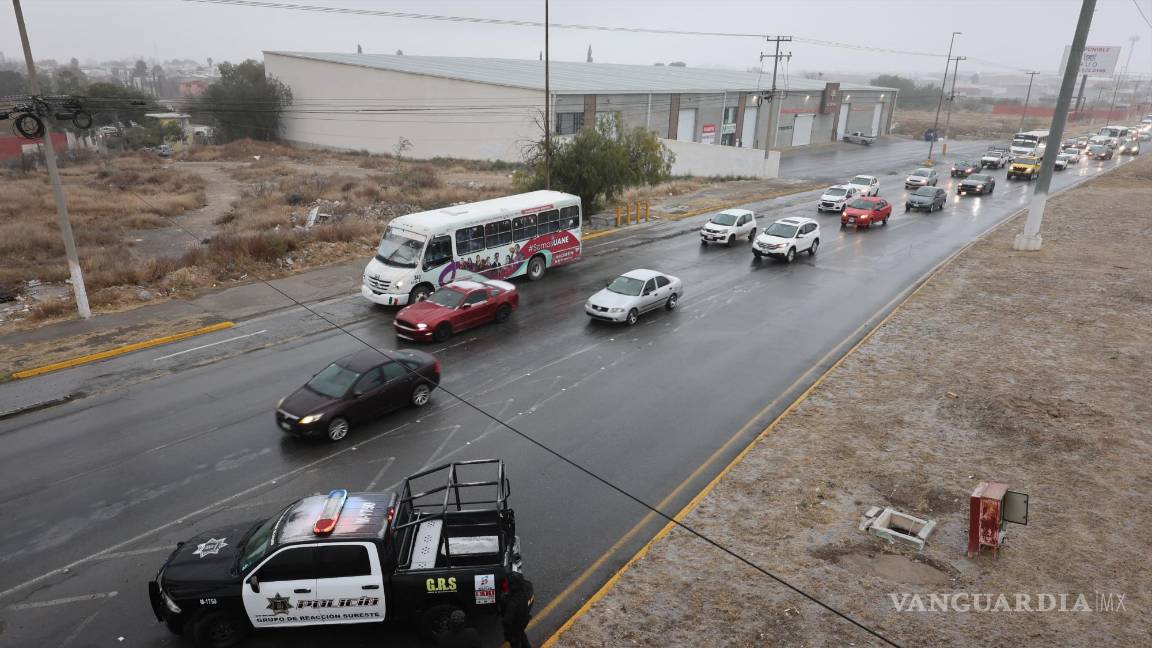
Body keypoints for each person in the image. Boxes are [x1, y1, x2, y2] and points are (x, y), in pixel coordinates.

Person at [501, 572, 534, 648]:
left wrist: (507, 635)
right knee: (521, 634)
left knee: (515, 641)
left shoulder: (513, 603)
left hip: (516, 624)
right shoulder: (528, 586)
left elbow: (507, 621)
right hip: (525, 617)